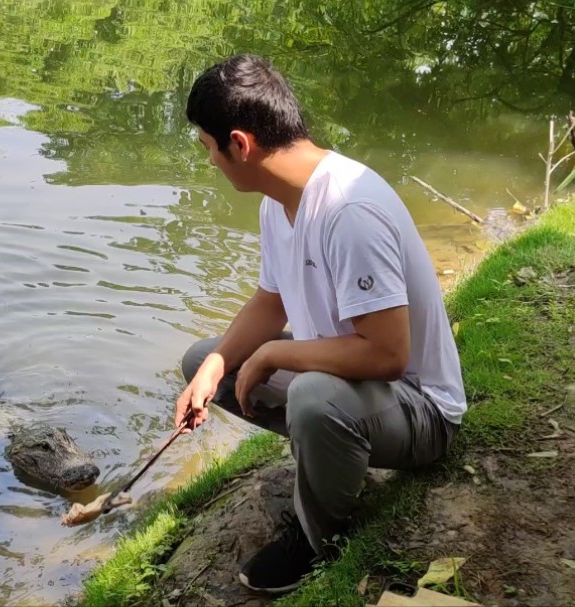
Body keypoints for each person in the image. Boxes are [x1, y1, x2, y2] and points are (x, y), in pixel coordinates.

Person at [175, 54, 466, 595]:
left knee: (311, 395)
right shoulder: (278, 201)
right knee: (203, 360)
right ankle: (328, 451)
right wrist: (219, 363)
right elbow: (271, 299)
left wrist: (273, 356)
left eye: (208, 147)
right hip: (360, 391)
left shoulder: (349, 208)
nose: (209, 160)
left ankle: (317, 539)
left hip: (420, 410)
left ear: (239, 144)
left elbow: (387, 356)